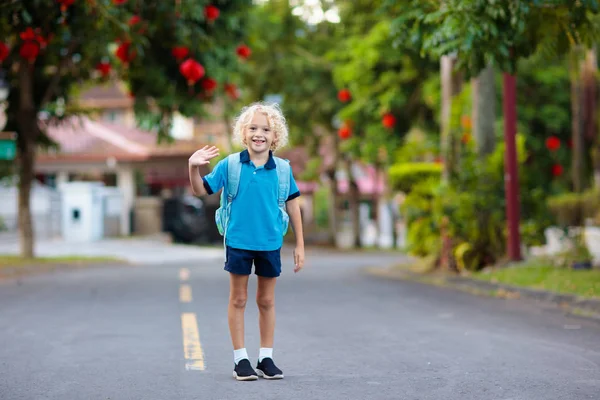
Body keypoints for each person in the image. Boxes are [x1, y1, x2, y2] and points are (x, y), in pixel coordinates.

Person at [188, 102, 305, 381]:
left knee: (266, 300)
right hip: (238, 241)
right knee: (238, 299)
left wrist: (300, 244)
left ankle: (266, 357)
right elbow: (201, 189)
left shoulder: (282, 169)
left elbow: (293, 205)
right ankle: (240, 359)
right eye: (252, 128)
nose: (259, 133)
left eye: (265, 129)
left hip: (270, 242)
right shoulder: (230, 165)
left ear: (275, 136)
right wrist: (193, 167)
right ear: (244, 133)